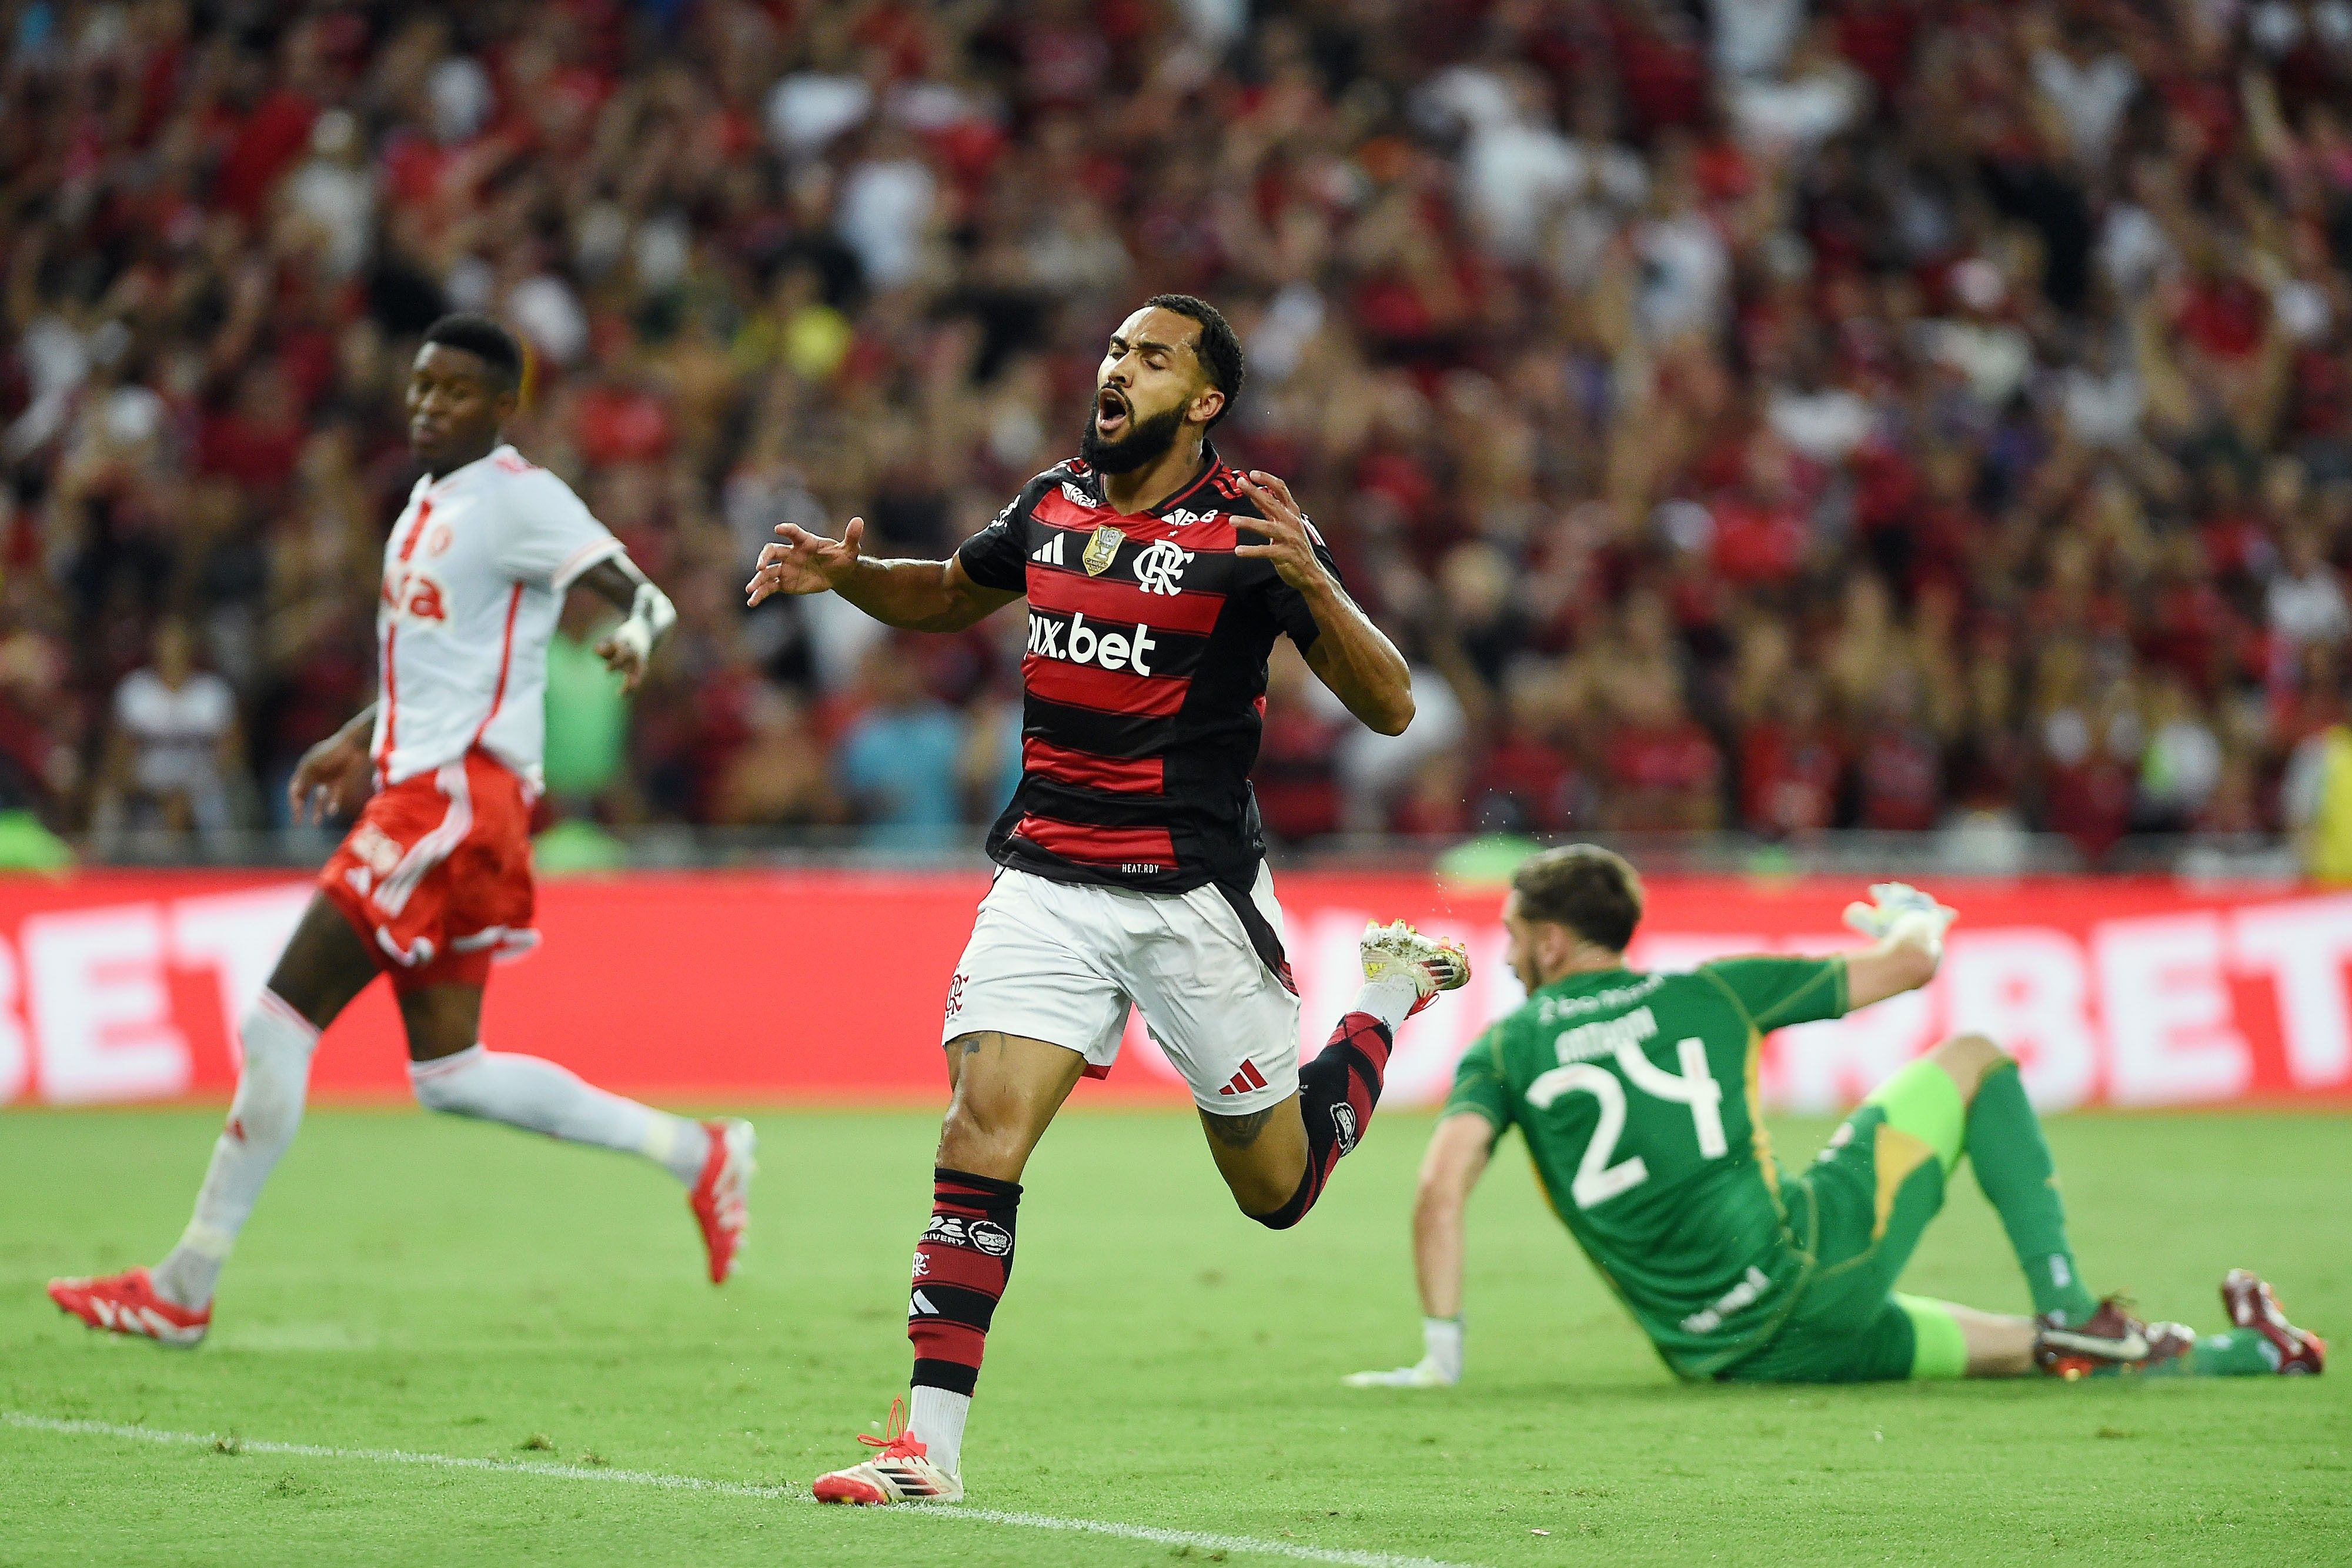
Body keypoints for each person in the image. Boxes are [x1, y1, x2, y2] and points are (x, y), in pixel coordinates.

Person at [746, 295, 1471, 1503]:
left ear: (1204, 400)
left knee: (1274, 1190)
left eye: (1152, 356)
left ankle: (1385, 1001)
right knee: (978, 1131)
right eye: (1114, 349)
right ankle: (923, 1447)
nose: (1117, 368)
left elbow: (1390, 705)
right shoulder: (1050, 501)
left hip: (1192, 897)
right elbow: (953, 589)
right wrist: (849, 575)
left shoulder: (1255, 529)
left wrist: (1316, 584)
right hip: (1045, 880)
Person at [48, 315, 755, 1347]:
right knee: (450, 1074)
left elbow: (638, 597)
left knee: (276, 1023)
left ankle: (186, 1283)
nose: (429, 405)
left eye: (456, 391)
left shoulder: (522, 496)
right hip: (431, 791)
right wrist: (354, 736)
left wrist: (637, 637)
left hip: (450, 801)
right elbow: (440, 664)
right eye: (421, 386)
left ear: (503, 406)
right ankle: (698, 1154)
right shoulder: (428, 503)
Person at [1347, 845, 2326, 1389]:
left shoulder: (1507, 1049)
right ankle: (2069, 1298)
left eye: (1516, 936)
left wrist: (1442, 1357)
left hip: (1717, 1353)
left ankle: (2255, 1355)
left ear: (1554, 942)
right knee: (1976, 1058)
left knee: (2030, 1352)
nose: (1509, 955)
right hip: (1808, 1283)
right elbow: (1915, 968)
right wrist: (1914, 917)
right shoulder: (1715, 993)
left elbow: (1439, 1188)